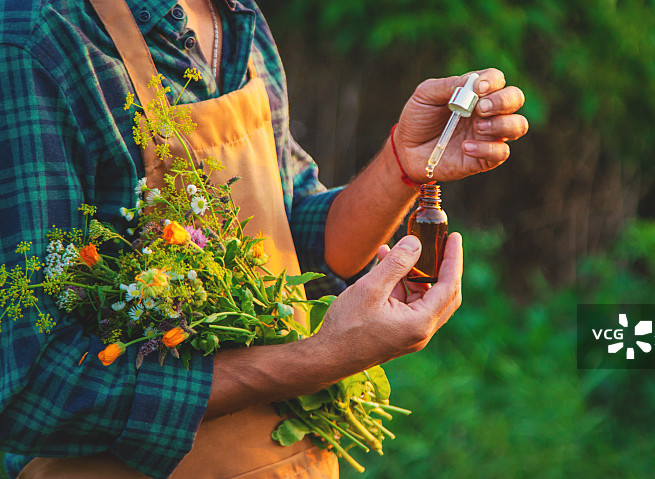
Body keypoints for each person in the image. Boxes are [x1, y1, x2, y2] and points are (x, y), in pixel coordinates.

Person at [0, 0, 528, 477]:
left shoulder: (236, 16)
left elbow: (290, 232)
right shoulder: (36, 39)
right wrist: (320, 359)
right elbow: (35, 392)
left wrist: (401, 167)